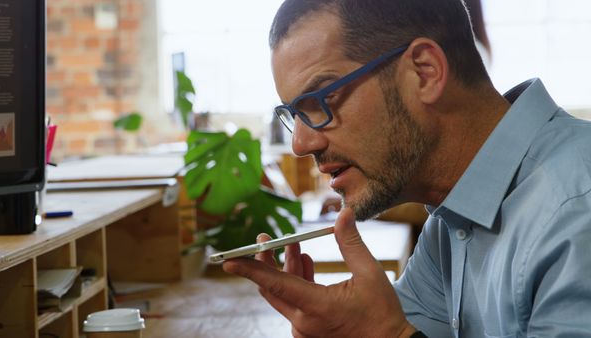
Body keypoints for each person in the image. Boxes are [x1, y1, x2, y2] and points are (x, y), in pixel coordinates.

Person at [223, 0, 591, 337]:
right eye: (295, 114)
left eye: (322, 99)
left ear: (425, 72)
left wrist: (391, 335)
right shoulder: (450, 222)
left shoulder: (576, 210)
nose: (301, 145)